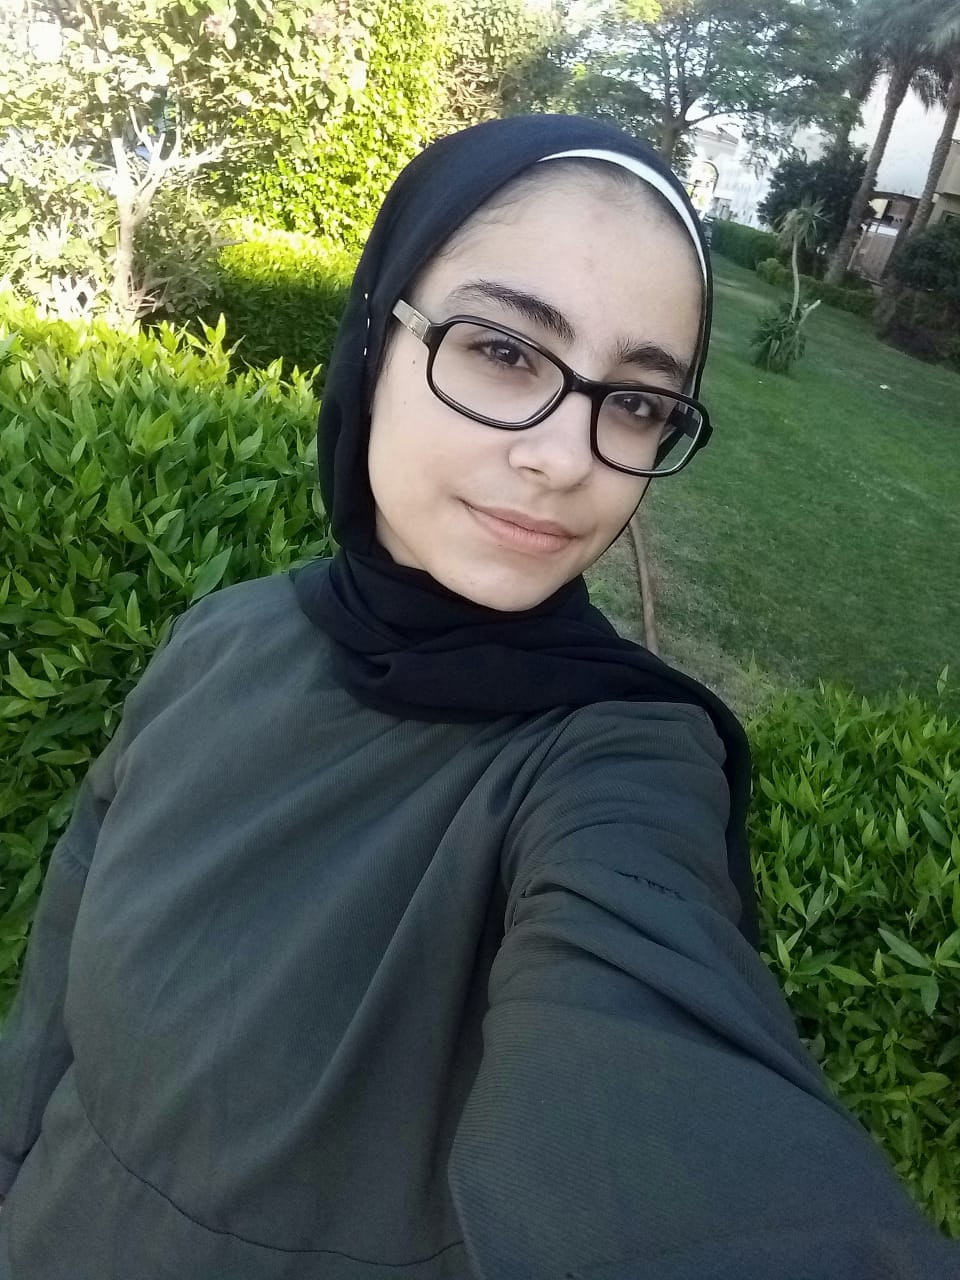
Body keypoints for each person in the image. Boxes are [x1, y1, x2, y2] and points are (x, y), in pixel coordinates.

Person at [0, 114, 955, 1280]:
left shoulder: (617, 765)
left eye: (637, 402)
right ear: (376, 334)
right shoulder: (224, 638)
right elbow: (52, 996)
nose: (567, 457)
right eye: (504, 350)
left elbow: (660, 1086)